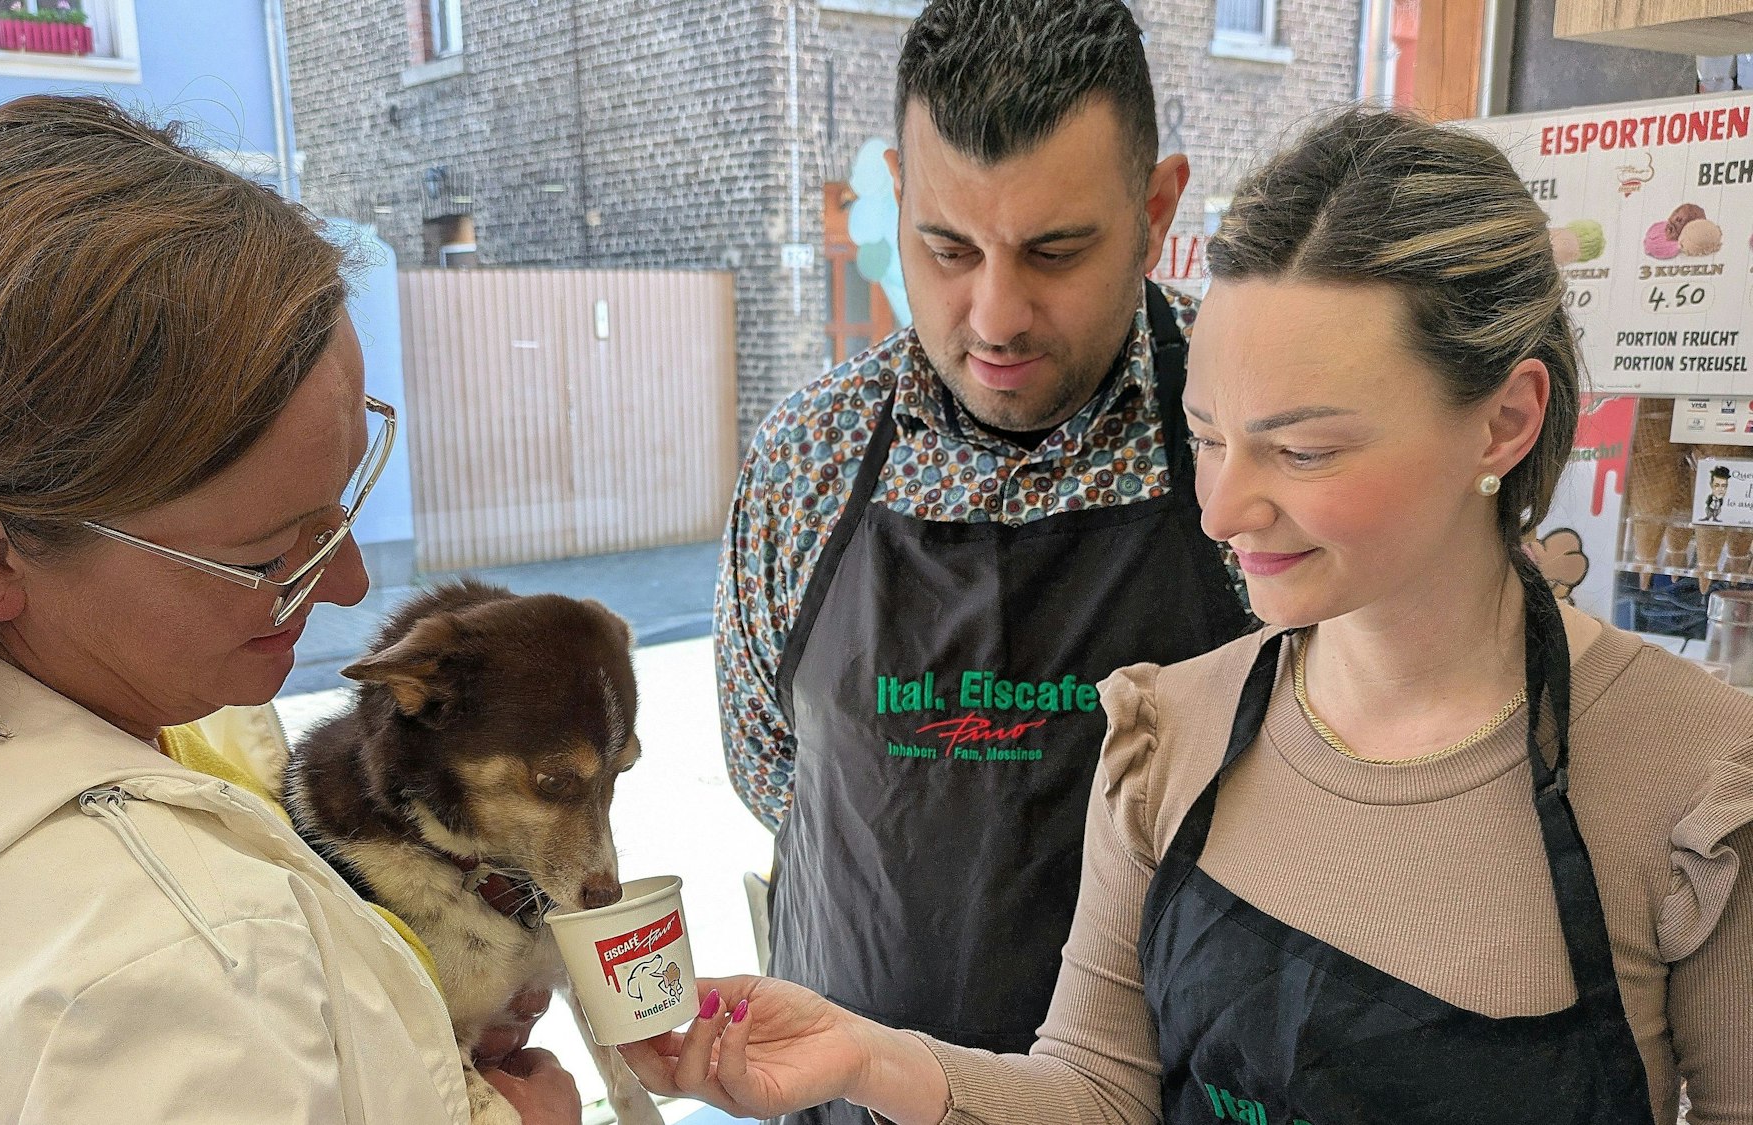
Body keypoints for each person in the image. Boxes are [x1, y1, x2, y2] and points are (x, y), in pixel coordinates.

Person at [637, 109, 1753, 1125]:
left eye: (1301, 449)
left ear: (1504, 421)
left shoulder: (1697, 784)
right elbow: (1098, 1089)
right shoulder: (1168, 730)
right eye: (1207, 436)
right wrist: (867, 1057)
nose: (1222, 510)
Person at [0, 96, 578, 1125]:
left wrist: (395, 1030)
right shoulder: (176, 972)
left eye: (341, 502)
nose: (349, 583)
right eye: (266, 554)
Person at [713, 3, 1249, 1115]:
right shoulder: (808, 459)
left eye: (1055, 252)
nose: (996, 316)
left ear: (1155, 212)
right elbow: (772, 769)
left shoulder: (1249, 434)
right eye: (947, 249)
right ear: (896, 199)